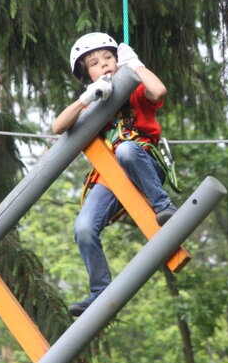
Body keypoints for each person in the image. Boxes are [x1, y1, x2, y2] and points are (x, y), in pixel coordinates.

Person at [52, 32, 176, 318]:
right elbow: (59, 127)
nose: (105, 64)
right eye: (95, 63)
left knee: (126, 151)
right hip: (110, 177)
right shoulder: (93, 102)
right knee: (83, 228)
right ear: (86, 74)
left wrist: (135, 66)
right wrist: (87, 99)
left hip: (143, 160)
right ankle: (99, 292)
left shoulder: (133, 89)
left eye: (109, 58)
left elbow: (158, 91)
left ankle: (163, 207)